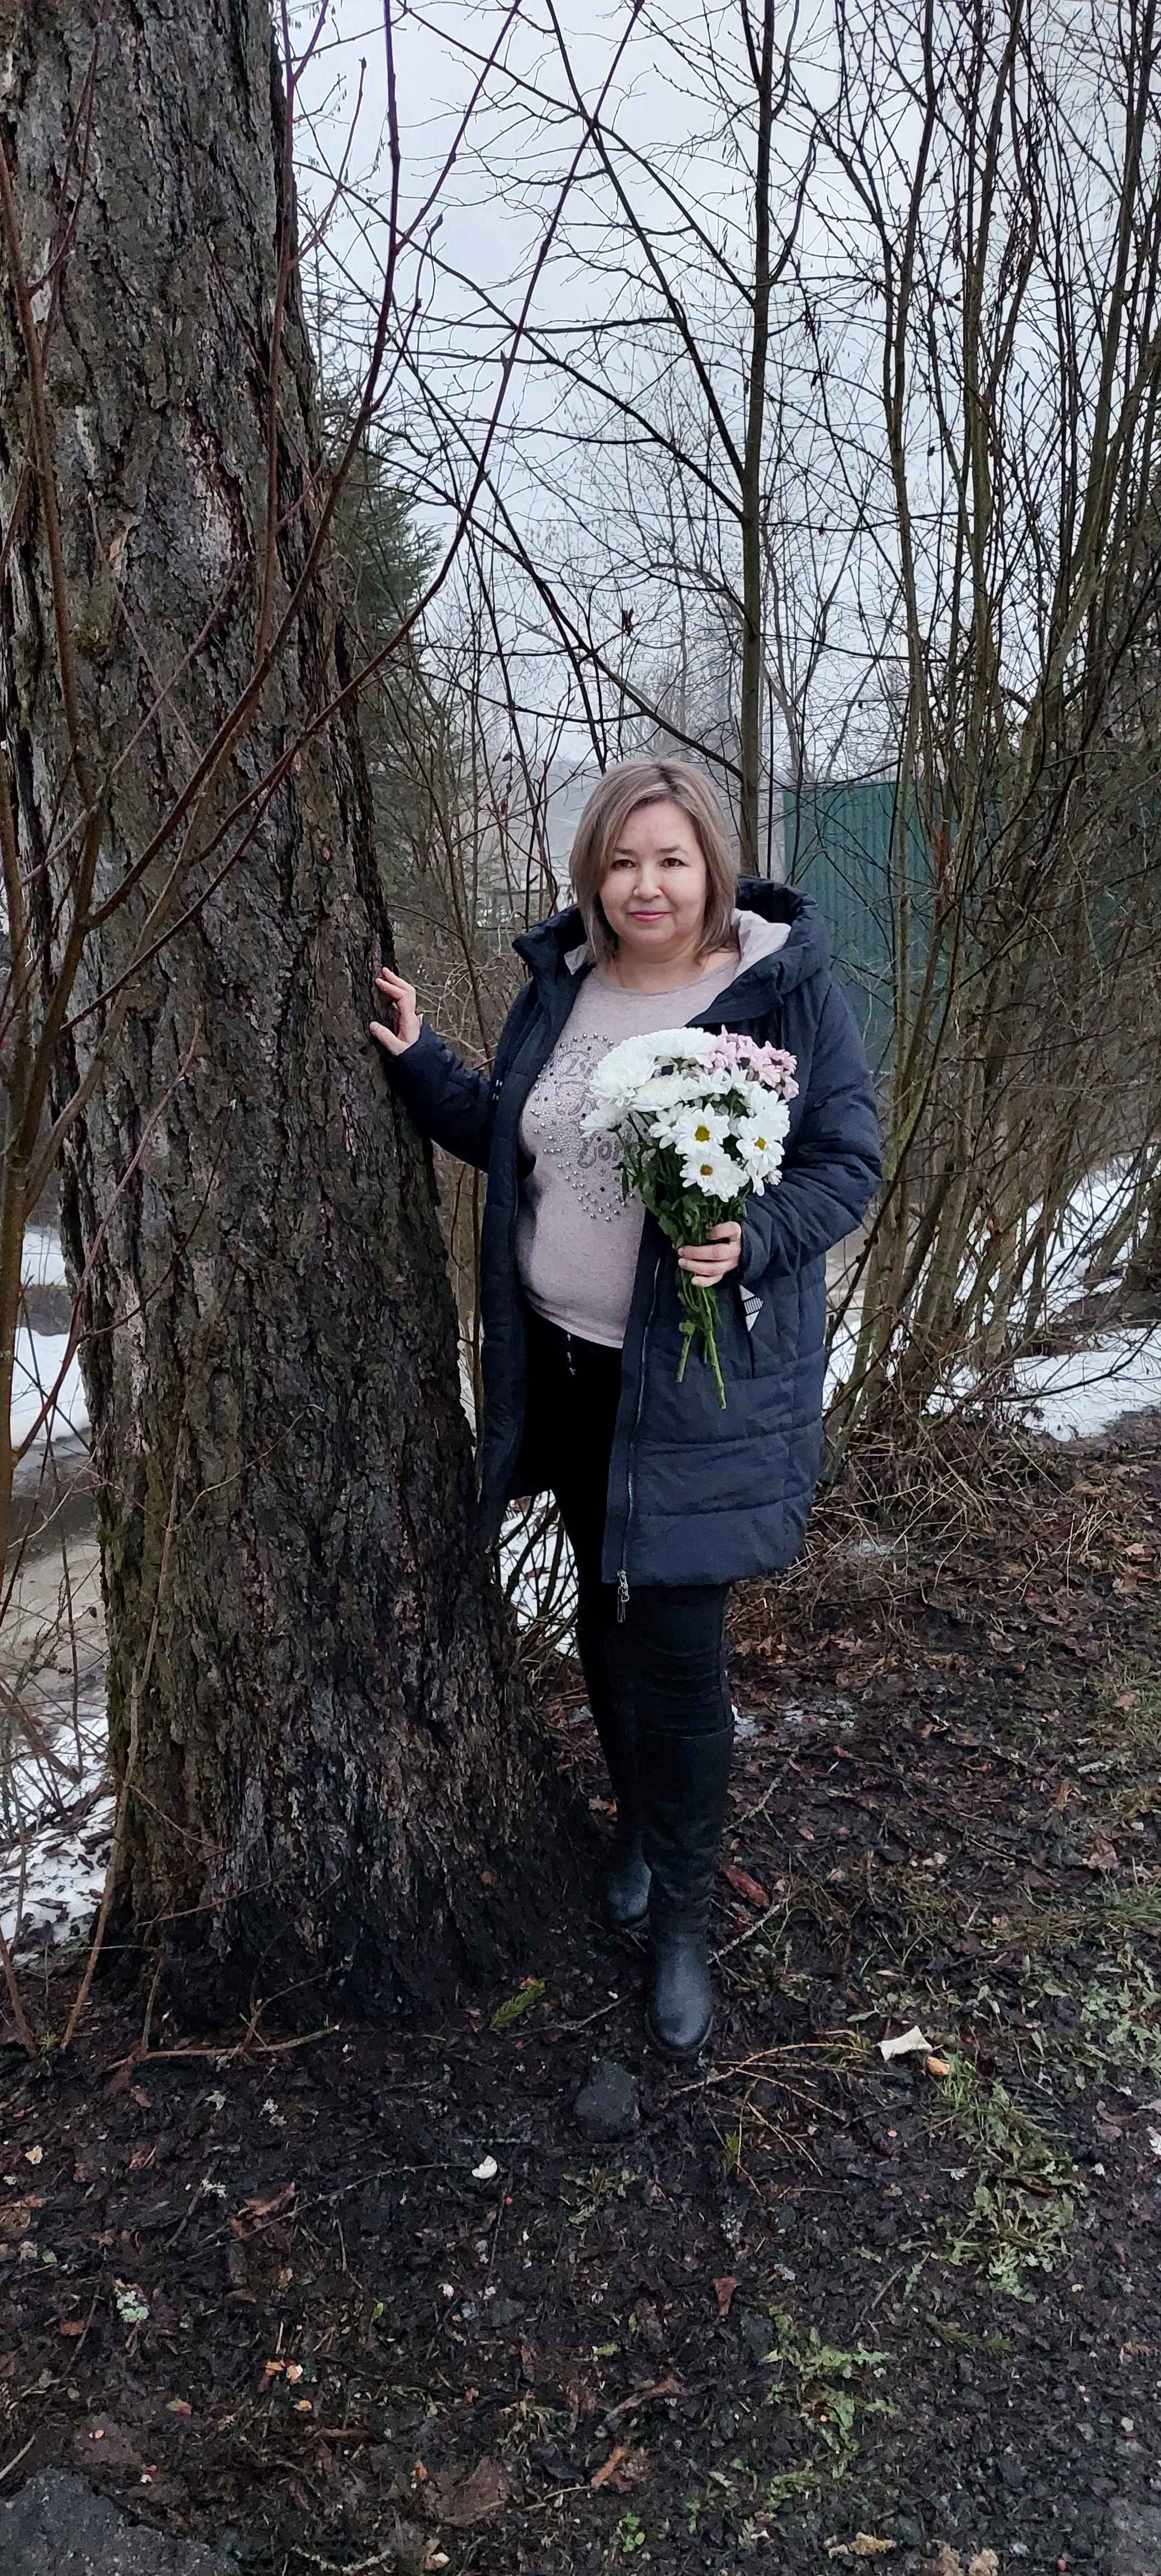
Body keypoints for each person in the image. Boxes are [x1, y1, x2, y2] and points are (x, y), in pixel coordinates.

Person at [371, 757, 880, 2056]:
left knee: (680, 1652)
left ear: (711, 865)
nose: (645, 884)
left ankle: (685, 1923)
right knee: (604, 1612)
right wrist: (422, 1061)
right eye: (620, 861)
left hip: (702, 1389)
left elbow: (846, 1161)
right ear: (592, 875)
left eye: (669, 859)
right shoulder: (565, 985)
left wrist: (753, 1235)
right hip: (566, 1367)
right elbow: (514, 1136)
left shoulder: (780, 989)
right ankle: (640, 1831)